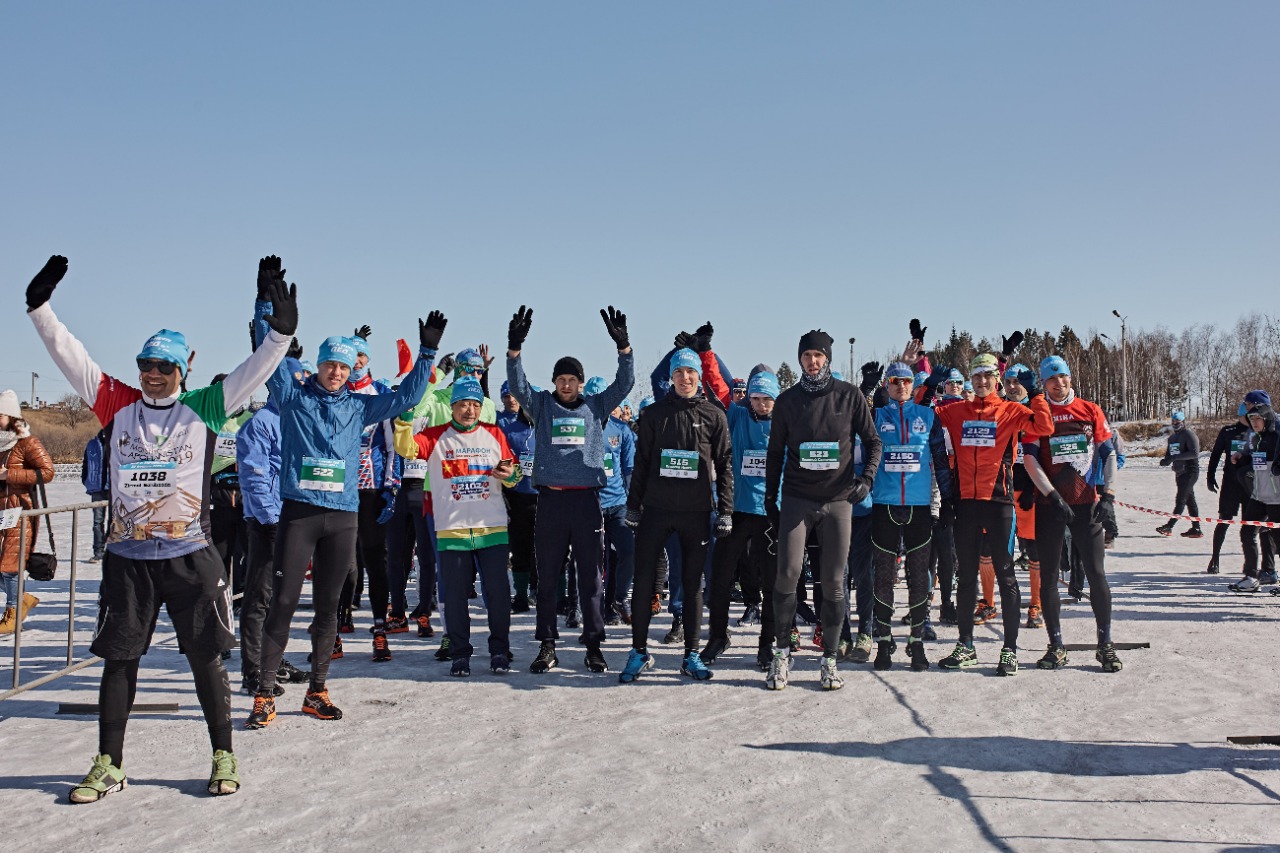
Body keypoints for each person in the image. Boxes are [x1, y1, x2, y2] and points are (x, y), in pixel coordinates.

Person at [26, 254, 296, 801]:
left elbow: (261, 366)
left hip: (191, 558)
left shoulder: (208, 407)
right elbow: (69, 354)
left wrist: (281, 329)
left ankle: (223, 755)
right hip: (129, 560)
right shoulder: (116, 403)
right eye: (146, 364)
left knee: (204, 660)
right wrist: (40, 306)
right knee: (120, 660)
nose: (152, 374)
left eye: (164, 367)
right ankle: (109, 762)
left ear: (184, 370)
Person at [247, 269, 444, 729]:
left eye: (344, 365)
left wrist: (428, 351)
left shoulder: (360, 405)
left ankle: (317, 689)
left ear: (352, 367)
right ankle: (264, 691)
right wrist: (263, 310)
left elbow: (409, 396)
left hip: (342, 516)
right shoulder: (293, 398)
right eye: (330, 364)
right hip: (299, 514)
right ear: (317, 365)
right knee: (283, 602)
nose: (337, 372)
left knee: (328, 606)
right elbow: (263, 359)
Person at [505, 305, 634, 675]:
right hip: (551, 501)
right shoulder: (542, 405)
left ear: (580, 382)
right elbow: (517, 385)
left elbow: (624, 384)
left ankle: (594, 645)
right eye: (560, 378)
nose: (566, 384)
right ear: (555, 382)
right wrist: (515, 348)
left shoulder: (596, 407)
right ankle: (547, 644)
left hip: (586, 502)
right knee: (548, 575)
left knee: (591, 577)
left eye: (572, 379)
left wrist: (624, 347)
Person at [764, 330, 881, 691]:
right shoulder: (787, 401)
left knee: (832, 582)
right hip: (798, 499)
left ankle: (830, 660)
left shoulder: (849, 397)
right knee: (787, 573)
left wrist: (867, 480)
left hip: (838, 501)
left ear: (827, 358)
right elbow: (775, 453)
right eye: (806, 356)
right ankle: (781, 655)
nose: (812, 362)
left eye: (818, 355)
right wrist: (771, 498)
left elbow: (873, 440)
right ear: (799, 359)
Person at [930, 354, 1051, 676]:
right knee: (966, 576)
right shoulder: (956, 412)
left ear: (997, 379)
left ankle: (1009, 649)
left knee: (1006, 575)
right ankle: (966, 644)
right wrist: (928, 383)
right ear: (971, 380)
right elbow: (924, 416)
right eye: (977, 376)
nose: (982, 382)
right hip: (965, 504)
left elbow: (1044, 425)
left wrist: (1036, 392)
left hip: (999, 503)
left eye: (988, 376)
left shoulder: (1010, 410)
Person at [394, 376, 522, 675]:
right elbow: (405, 449)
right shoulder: (436, 435)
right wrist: (404, 420)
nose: (470, 410)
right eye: (464, 404)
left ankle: (500, 650)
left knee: (499, 594)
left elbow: (513, 473)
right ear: (452, 406)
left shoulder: (494, 433)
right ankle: (460, 652)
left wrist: (509, 475)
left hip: (491, 528)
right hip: (452, 528)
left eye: (476, 404)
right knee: (453, 596)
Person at [618, 348, 732, 683]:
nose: (685, 378)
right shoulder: (654, 414)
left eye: (691, 372)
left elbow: (725, 466)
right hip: (656, 509)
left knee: (693, 584)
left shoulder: (714, 415)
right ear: (672, 376)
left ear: (698, 376)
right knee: (643, 581)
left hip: (696, 512)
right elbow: (641, 465)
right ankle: (639, 651)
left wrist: (725, 510)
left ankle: (692, 655)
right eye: (679, 372)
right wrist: (634, 506)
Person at [1019, 355, 1122, 672]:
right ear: (1044, 383)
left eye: (1062, 377)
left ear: (1070, 378)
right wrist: (1049, 493)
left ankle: (1105, 645)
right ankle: (1056, 646)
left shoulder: (1090, 409)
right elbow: (1031, 459)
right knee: (1049, 577)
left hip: (1086, 504)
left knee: (1096, 574)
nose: (1058, 383)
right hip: (1050, 507)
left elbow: (1108, 454)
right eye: (1051, 379)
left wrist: (1108, 495)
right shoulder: (1038, 413)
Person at [868, 363, 952, 671]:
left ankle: (917, 642)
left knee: (918, 576)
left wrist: (948, 501)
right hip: (884, 505)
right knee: (883, 576)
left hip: (918, 506)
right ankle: (884, 641)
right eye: (895, 381)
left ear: (911, 385)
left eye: (906, 381)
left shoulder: (928, 417)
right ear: (887, 385)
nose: (901, 386)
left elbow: (941, 463)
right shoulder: (877, 416)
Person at [235, 362, 310, 697]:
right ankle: (252, 671)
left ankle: (274, 659)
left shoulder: (299, 420)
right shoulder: (261, 423)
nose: (302, 387)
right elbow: (254, 475)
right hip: (268, 523)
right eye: (296, 381)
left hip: (293, 520)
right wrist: (271, 521)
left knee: (283, 598)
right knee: (260, 597)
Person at [704, 369, 780, 670]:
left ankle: (767, 644)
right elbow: (719, 385)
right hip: (735, 511)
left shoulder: (785, 422)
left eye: (767, 399)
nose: (760, 404)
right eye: (756, 398)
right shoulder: (736, 416)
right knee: (721, 579)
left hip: (769, 513)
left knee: (772, 584)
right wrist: (706, 352)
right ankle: (718, 637)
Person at [0, 390, 55, 633]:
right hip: (1, 510)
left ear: (12, 416)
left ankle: (12, 612)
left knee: (10, 564)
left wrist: (9, 475)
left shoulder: (27, 442)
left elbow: (48, 472)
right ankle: (22, 599)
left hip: (19, 511)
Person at [586, 376, 637, 627]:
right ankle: (593, 607)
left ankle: (617, 600)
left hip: (617, 504)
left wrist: (633, 504)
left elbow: (629, 469)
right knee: (594, 561)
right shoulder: (580, 427)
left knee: (627, 551)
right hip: (589, 504)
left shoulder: (621, 430)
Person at [1206, 392, 1272, 575]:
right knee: (1224, 520)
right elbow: (1216, 454)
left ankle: (1257, 566)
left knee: (1251, 526)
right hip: (1231, 484)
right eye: (1247, 415)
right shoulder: (1228, 432)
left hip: (1250, 485)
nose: (1251, 420)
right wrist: (1210, 476)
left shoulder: (1259, 432)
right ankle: (1215, 559)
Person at [1228, 400, 1280, 593]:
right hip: (1259, 496)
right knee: (1247, 532)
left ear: (1266, 418)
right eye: (1252, 419)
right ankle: (1251, 577)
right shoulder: (1257, 438)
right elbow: (1258, 460)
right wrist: (1244, 457)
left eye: (1258, 418)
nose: (1255, 423)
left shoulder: (1276, 436)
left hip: (1276, 498)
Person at [496, 380, 538, 613]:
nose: (512, 401)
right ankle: (520, 595)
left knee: (540, 548)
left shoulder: (543, 426)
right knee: (520, 547)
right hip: (517, 496)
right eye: (507, 397)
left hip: (543, 496)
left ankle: (538, 590)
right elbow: (501, 458)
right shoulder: (507, 428)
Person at [1157, 410, 1203, 538]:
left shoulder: (1188, 435)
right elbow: (1169, 455)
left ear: (1183, 422)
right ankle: (1196, 528)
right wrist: (1165, 461)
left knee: (1181, 499)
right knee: (1190, 500)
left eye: (1178, 422)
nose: (1175, 424)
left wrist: (1174, 458)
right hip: (1179, 472)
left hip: (1190, 471)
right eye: (1173, 422)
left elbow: (1194, 453)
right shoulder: (1172, 438)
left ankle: (1169, 526)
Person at [80, 428, 109, 561]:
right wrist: (86, 479)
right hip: (97, 489)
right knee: (97, 522)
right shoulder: (92, 444)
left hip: (114, 488)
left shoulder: (119, 442)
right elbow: (85, 463)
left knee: (115, 522)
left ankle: (113, 551)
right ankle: (98, 551)